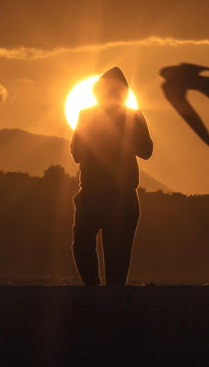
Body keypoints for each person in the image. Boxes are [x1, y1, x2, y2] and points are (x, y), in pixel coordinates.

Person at [70, 67, 153, 286]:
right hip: (100, 195)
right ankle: (95, 291)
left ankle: (102, 296)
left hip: (116, 196)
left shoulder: (131, 116)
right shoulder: (88, 115)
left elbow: (145, 151)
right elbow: (77, 153)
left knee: (111, 254)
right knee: (90, 246)